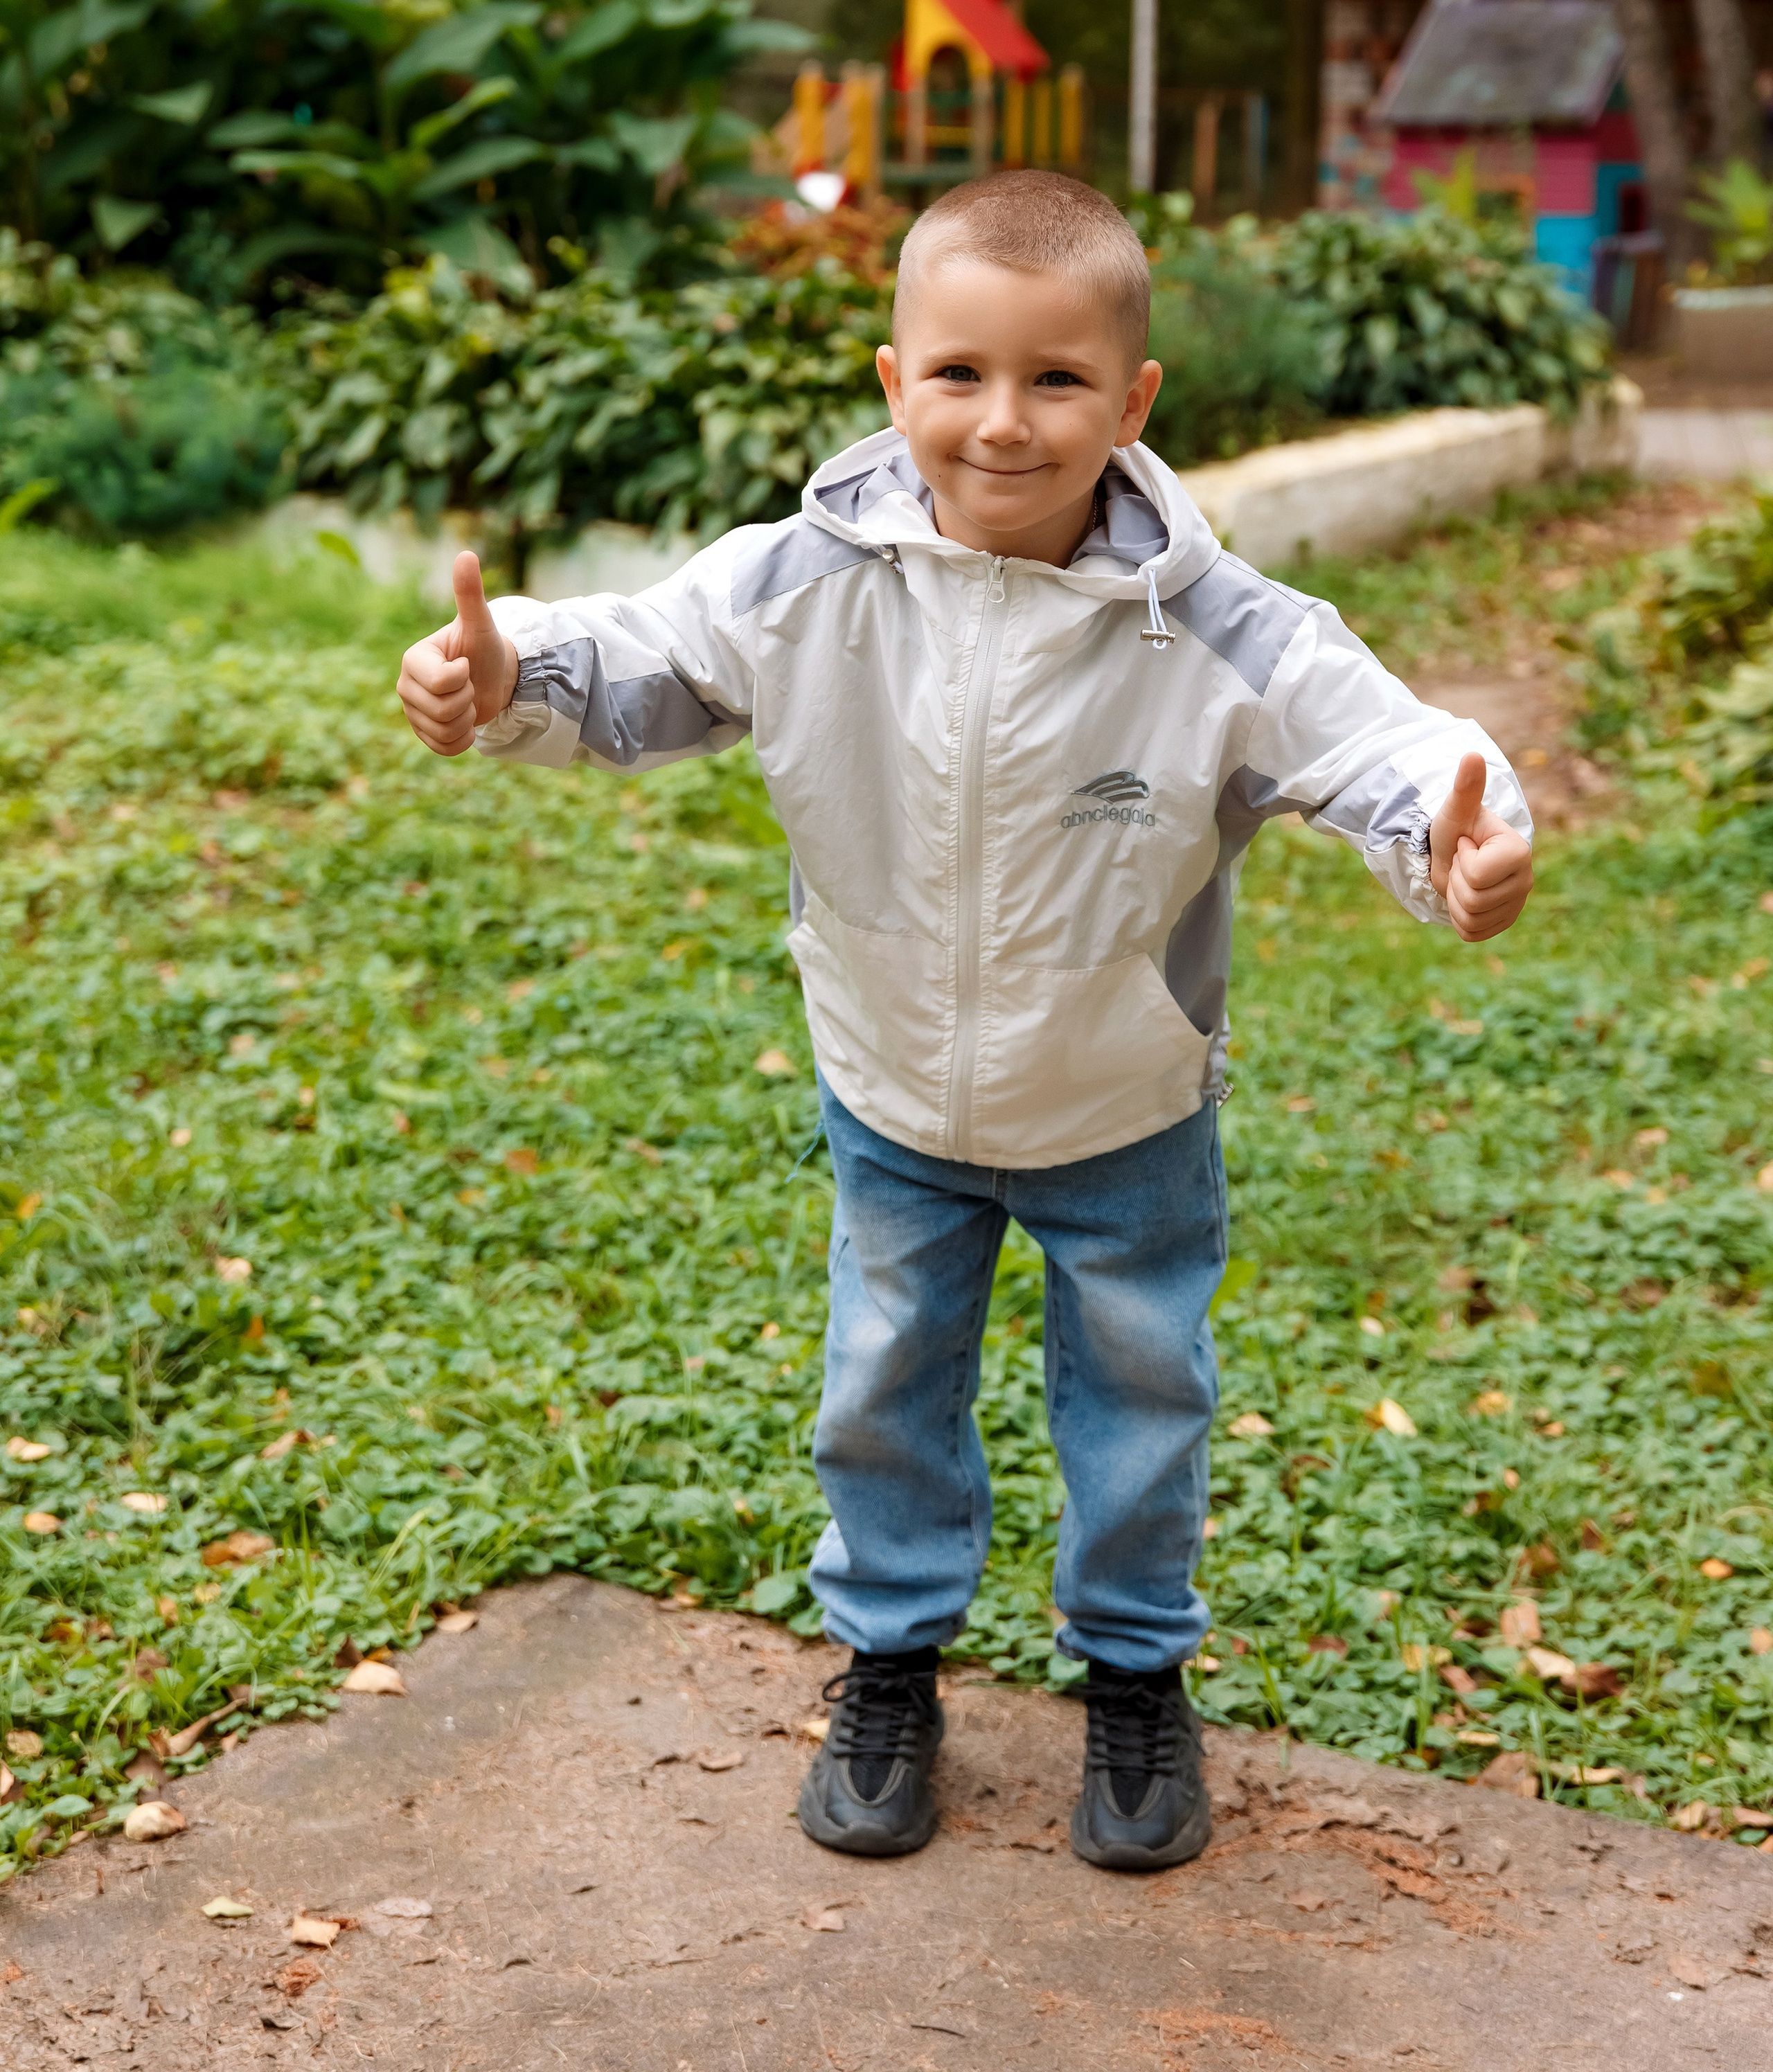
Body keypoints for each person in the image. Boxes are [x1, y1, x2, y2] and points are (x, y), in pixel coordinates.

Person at [395, 172, 1534, 1873]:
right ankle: (889, 1667)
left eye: (1056, 382)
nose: (1001, 425)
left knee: (1143, 1407)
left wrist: (1459, 834)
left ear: (1133, 400)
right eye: (957, 377)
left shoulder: (1211, 623)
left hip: (1125, 1111)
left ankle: (1136, 1684)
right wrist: (497, 677)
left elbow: (1382, 749)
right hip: (890, 1102)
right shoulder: (798, 580)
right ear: (890, 378)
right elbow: (633, 661)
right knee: (880, 1392)